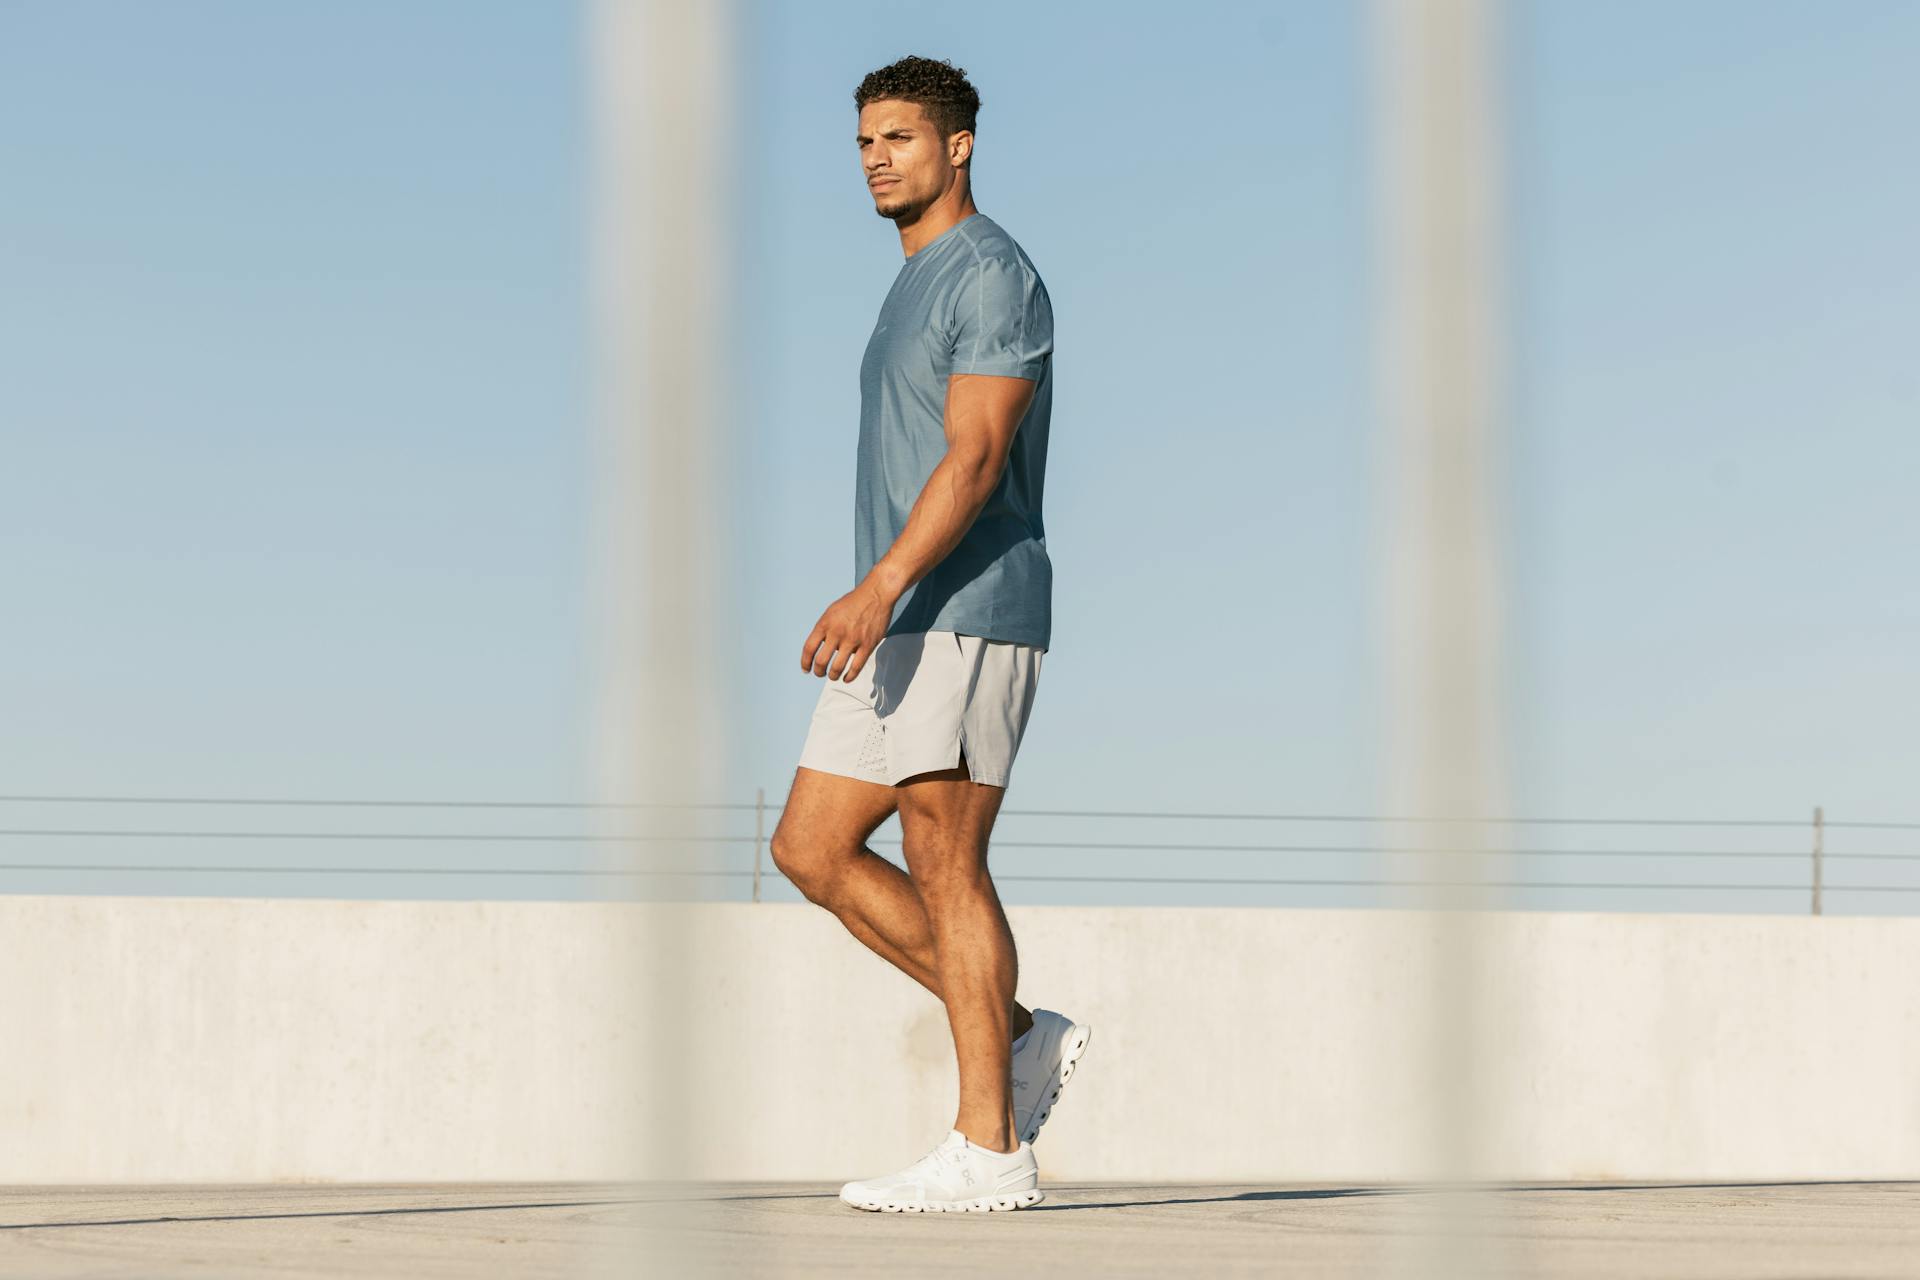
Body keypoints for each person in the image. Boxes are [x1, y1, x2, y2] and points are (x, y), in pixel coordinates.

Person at [768, 55, 1091, 1215]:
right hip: (902, 617)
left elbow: (977, 457)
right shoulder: (909, 280)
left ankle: (989, 1146)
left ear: (958, 146)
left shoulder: (993, 274)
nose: (875, 158)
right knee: (810, 847)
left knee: (944, 858)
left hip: (965, 609)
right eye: (864, 140)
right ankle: (1008, 1027)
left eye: (899, 137)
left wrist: (879, 585)